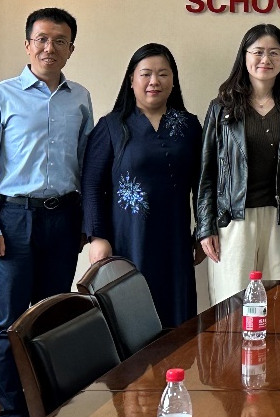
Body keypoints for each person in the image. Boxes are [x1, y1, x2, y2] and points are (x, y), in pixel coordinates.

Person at [0, 7, 93, 417]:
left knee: (52, 320)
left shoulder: (80, 98)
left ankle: (49, 410)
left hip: (63, 219)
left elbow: (85, 164)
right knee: (9, 323)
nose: (49, 48)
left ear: (71, 49)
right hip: (14, 219)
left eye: (60, 41)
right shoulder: (0, 96)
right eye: (41, 39)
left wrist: (85, 222)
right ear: (27, 45)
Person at [82, 43, 202, 328]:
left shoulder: (189, 126)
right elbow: (92, 185)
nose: (154, 81)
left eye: (163, 74)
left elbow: (203, 184)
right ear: (131, 80)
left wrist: (202, 231)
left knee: (176, 321)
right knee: (130, 321)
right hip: (128, 241)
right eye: (146, 74)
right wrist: (97, 237)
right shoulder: (111, 126)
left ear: (173, 80)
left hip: (175, 241)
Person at [195, 24, 280, 302]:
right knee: (232, 304)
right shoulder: (222, 108)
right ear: (244, 56)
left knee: (278, 302)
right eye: (258, 52)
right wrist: (205, 227)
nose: (265, 59)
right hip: (233, 222)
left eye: (274, 53)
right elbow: (206, 173)